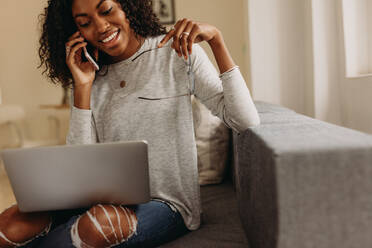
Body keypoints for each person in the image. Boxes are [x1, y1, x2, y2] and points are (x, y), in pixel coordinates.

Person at [0, 0, 260, 247]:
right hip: (99, 200)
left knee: (98, 225)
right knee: (10, 224)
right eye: (85, 22)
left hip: (167, 205)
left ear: (127, 5)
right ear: (75, 32)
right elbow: (80, 162)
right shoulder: (89, 74)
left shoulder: (177, 53)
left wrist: (216, 39)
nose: (101, 27)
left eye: (107, 10)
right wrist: (82, 86)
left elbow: (244, 120)